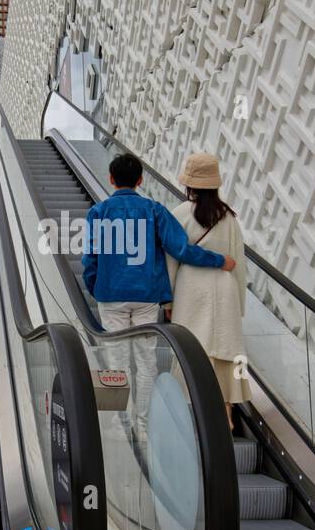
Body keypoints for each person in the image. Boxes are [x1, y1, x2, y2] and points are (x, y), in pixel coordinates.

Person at [83, 152, 236, 436]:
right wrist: (219, 261)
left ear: (111, 179)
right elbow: (181, 249)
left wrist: (96, 286)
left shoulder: (98, 213)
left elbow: (90, 258)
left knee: (115, 359)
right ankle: (142, 426)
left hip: (111, 296)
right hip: (146, 295)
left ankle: (119, 424)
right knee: (146, 360)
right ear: (140, 180)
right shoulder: (154, 211)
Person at [165, 152, 250, 429]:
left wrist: (168, 300)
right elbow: (238, 263)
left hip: (191, 288)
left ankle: (190, 411)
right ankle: (226, 410)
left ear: (190, 185)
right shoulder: (229, 218)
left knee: (192, 347)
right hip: (224, 287)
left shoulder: (178, 214)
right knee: (224, 348)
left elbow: (172, 260)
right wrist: (239, 304)